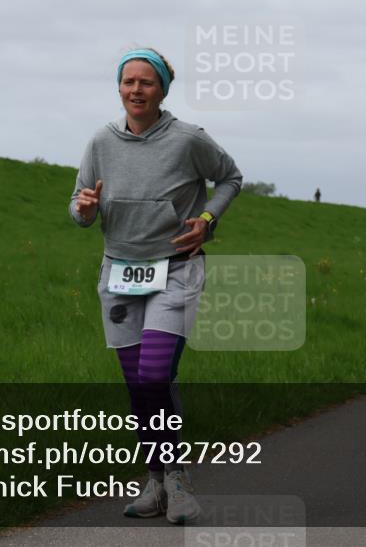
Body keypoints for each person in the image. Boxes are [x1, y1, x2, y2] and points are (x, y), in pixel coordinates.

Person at [70, 48, 243, 523]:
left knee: (153, 373)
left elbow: (230, 177)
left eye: (147, 82)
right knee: (138, 386)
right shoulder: (100, 143)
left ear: (163, 89)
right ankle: (157, 481)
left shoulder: (188, 139)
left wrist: (207, 219)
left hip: (176, 268)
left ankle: (179, 480)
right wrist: (84, 210)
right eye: (128, 82)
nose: (136, 90)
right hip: (120, 274)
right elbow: (79, 204)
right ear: (119, 88)